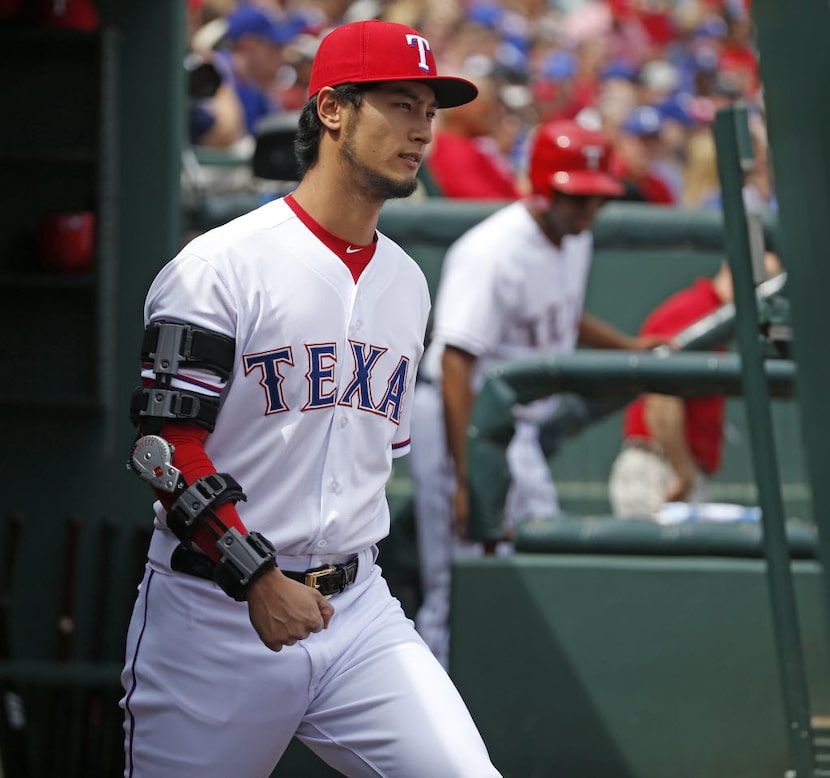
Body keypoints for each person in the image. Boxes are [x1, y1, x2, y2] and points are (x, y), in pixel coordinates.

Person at [120, 19, 501, 778]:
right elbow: (163, 450)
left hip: (358, 610)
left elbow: (367, 462)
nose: (422, 128)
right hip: (214, 612)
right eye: (400, 103)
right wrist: (257, 576)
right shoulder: (221, 265)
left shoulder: (408, 283)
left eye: (430, 110)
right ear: (332, 109)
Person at [409, 118, 665, 669]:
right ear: (542, 186)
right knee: (455, 578)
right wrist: (464, 477)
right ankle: (440, 715)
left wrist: (626, 347)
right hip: (460, 419)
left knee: (538, 551)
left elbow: (560, 318)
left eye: (595, 200)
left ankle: (508, 689)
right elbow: (457, 364)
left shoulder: (574, 238)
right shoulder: (492, 251)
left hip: (513, 428)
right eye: (575, 198)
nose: (586, 211)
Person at [607, 252, 783, 519]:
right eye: (759, 281)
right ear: (731, 269)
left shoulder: (717, 317)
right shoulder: (697, 310)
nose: (763, 292)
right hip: (658, 467)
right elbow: (661, 397)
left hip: (674, 468)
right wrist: (684, 473)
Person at [424, 69, 523, 199]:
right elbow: (481, 205)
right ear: (461, 106)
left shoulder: (470, 146)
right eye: (485, 103)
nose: (493, 111)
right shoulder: (454, 151)